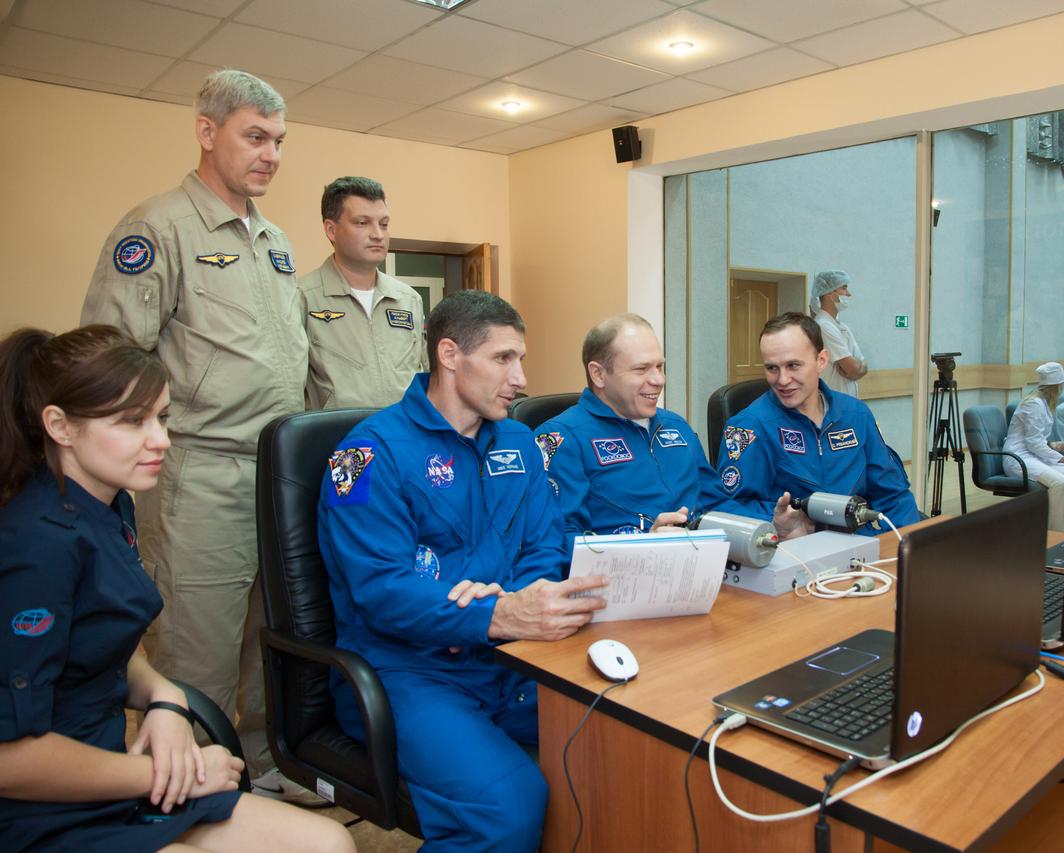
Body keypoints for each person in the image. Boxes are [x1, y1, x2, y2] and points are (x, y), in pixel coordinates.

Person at [0, 325, 352, 853]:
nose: (161, 439)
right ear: (60, 426)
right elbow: (11, 761)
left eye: (161, 418)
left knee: (329, 844)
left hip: (115, 779)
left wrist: (164, 699)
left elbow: (105, 641)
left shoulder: (109, 503)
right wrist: (171, 772)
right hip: (44, 809)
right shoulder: (36, 547)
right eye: (131, 422)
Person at [79, 69, 314, 803]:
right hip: (199, 473)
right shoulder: (158, 228)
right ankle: (193, 792)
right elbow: (112, 357)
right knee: (196, 644)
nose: (271, 154)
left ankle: (254, 770)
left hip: (271, 474)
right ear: (207, 132)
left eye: (278, 140)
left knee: (260, 639)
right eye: (255, 136)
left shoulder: (274, 239)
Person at [316, 291, 608, 851]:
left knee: (620, 748)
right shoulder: (369, 454)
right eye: (503, 359)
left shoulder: (519, 443)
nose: (521, 378)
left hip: (511, 659)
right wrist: (490, 613)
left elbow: (543, 548)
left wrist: (509, 604)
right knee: (509, 808)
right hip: (406, 672)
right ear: (449, 354)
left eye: (520, 359)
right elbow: (381, 590)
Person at [538, 314, 753, 543]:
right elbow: (558, 541)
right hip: (619, 575)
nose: (659, 380)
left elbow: (716, 504)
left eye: (660, 366)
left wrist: (769, 527)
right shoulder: (561, 439)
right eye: (641, 369)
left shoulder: (677, 427)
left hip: (699, 566)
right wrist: (643, 547)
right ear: (598, 374)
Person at [715, 312, 920, 540]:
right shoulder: (749, 427)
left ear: (821, 360)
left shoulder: (855, 415)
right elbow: (729, 507)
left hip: (862, 545)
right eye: (772, 368)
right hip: (794, 552)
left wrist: (902, 547)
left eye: (793, 365)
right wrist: (779, 520)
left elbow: (893, 495)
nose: (782, 379)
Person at [300, 176, 424, 409]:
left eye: (384, 224)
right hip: (337, 439)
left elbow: (423, 375)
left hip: (400, 438)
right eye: (362, 223)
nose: (377, 234)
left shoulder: (408, 300)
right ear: (331, 230)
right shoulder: (302, 297)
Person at [1004, 362, 1064, 532]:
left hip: (1032, 455)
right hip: (1018, 458)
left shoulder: (1043, 403)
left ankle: (1048, 525)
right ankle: (1056, 534)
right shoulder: (1034, 404)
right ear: (1057, 386)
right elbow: (1033, 443)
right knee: (1058, 482)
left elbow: (1036, 439)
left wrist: (1053, 446)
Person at [810, 270, 867, 398]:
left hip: (846, 401)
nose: (849, 294)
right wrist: (857, 368)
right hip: (832, 404)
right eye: (844, 288)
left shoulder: (842, 327)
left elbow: (862, 365)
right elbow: (853, 368)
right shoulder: (823, 326)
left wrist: (860, 368)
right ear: (830, 293)